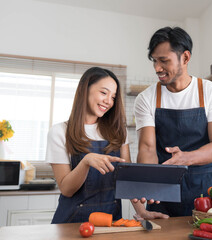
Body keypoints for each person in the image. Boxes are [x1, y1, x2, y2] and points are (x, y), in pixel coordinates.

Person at [46, 67, 166, 223]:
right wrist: (86, 162)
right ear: (85, 89)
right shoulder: (60, 131)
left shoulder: (118, 131)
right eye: (103, 93)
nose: (109, 101)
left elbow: (126, 180)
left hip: (112, 223)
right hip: (72, 224)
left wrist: (143, 212)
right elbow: (66, 189)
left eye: (113, 97)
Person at [134, 27, 212, 217]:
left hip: (206, 192)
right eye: (154, 61)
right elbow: (147, 149)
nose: (157, 68)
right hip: (162, 194)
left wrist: (185, 158)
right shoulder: (146, 98)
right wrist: (148, 181)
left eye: (164, 61)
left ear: (185, 58)